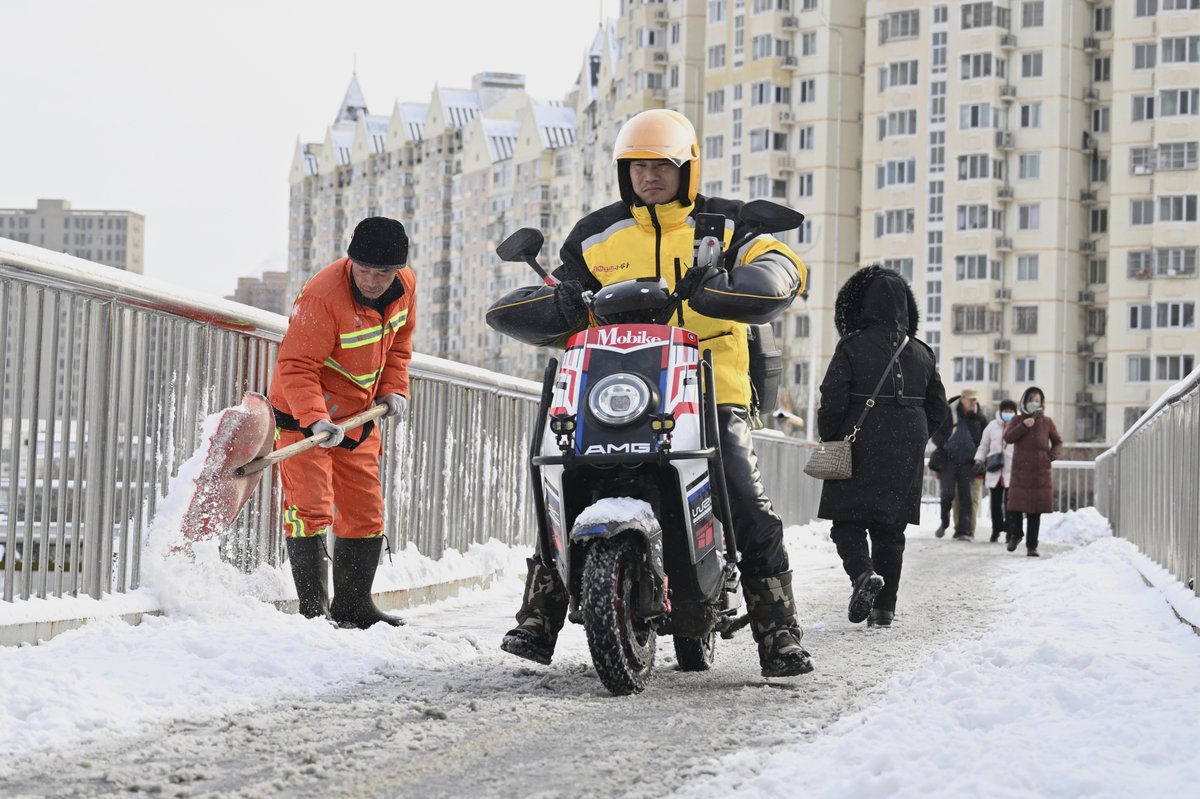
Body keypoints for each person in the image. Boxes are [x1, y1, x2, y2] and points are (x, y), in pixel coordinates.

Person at [486, 109, 813, 677]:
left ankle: (778, 633)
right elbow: (565, 285)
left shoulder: (725, 227)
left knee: (744, 498)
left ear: (687, 167)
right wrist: (557, 305)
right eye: (637, 167)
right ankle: (539, 617)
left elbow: (783, 264)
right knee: (558, 480)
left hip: (708, 391)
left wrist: (748, 284)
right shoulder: (597, 234)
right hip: (613, 390)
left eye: (662, 165)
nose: (649, 176)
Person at [268, 216, 416, 628]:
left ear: (398, 270)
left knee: (365, 512)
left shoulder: (406, 288)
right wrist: (315, 420)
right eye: (364, 269)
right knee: (310, 509)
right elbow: (296, 366)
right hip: (304, 420)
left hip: (358, 418)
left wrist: (394, 388)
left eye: (382, 272)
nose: (371, 280)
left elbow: (399, 346)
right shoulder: (322, 296)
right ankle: (315, 613)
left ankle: (355, 606)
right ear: (351, 261)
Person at [816, 266, 948, 628]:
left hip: (860, 442)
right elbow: (939, 408)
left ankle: (862, 575)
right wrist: (916, 436)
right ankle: (884, 609)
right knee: (891, 529)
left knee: (847, 520)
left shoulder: (852, 346)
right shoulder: (922, 352)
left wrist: (831, 437)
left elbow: (832, 399)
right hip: (906, 447)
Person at [1003, 386, 1063, 557]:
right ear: (1025, 401)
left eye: (1037, 400)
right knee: (1014, 507)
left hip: (1039, 472)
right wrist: (1023, 425)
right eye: (1031, 400)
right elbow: (1008, 438)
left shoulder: (1047, 422)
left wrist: (1051, 456)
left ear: (1041, 403)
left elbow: (1058, 442)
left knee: (1034, 511)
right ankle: (1016, 535)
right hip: (1021, 470)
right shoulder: (1017, 419)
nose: (1033, 403)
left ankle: (1032, 546)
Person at [930, 389, 987, 540]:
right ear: (962, 399)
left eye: (975, 400)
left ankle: (963, 531)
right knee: (947, 494)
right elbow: (936, 431)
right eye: (970, 400)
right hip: (949, 461)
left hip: (968, 463)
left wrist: (979, 456)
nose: (973, 403)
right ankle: (944, 523)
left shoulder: (979, 417)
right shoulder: (948, 412)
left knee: (966, 497)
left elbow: (984, 438)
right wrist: (944, 445)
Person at [975, 399, 1017, 542]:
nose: (1008, 414)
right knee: (995, 504)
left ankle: (1010, 531)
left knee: (1010, 505)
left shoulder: (1018, 426)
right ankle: (996, 529)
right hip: (994, 470)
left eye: (1011, 411)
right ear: (1000, 411)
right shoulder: (991, 427)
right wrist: (979, 460)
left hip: (1012, 471)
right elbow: (983, 446)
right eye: (1006, 411)